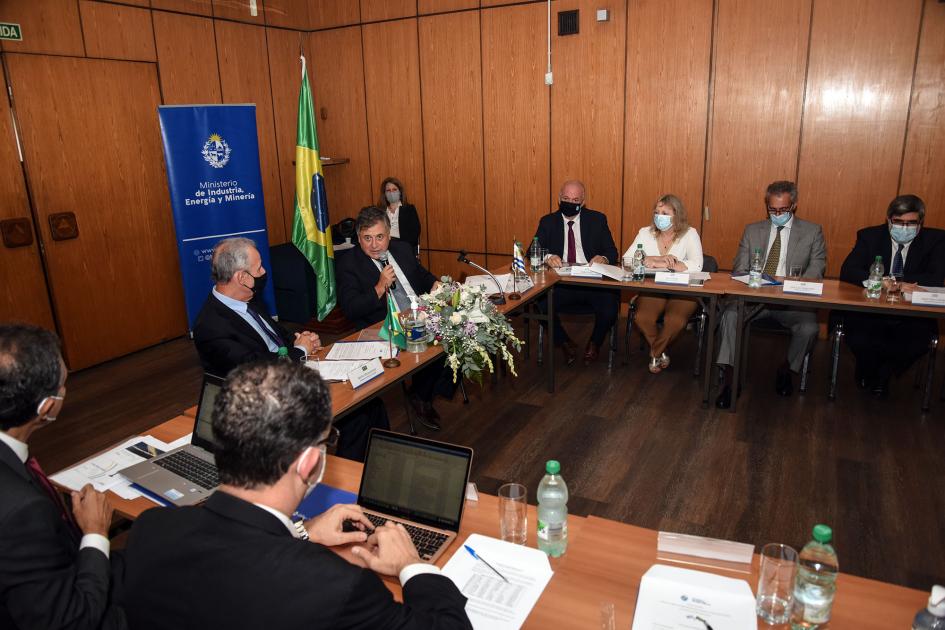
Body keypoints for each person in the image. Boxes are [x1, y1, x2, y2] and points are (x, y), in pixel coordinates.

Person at [114, 360, 472, 630]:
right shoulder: (335, 585)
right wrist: (413, 566)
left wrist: (302, 532)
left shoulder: (151, 529)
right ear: (309, 463)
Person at [193, 237, 385, 460]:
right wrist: (300, 351)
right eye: (259, 268)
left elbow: (277, 335)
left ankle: (375, 469)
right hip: (264, 404)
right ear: (242, 277)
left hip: (291, 376)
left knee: (371, 402)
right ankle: (345, 482)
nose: (264, 272)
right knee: (359, 415)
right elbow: (256, 370)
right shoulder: (211, 326)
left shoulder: (246, 298)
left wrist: (301, 338)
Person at [0, 324, 125, 630]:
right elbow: (72, 621)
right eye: (63, 385)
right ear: (47, 407)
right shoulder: (23, 512)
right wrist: (95, 532)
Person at [715, 181, 826, 408]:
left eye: (782, 210)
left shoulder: (812, 232)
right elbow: (740, 269)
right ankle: (730, 380)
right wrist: (755, 279)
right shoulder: (753, 230)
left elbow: (816, 270)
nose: (777, 214)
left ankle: (786, 369)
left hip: (792, 302)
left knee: (809, 328)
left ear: (793, 205)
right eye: (772, 209)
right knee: (729, 316)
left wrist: (790, 286)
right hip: (754, 299)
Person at [336, 207, 447, 429]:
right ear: (358, 238)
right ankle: (422, 395)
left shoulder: (402, 248)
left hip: (418, 314)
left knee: (457, 338)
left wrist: (437, 285)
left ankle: (421, 393)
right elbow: (351, 309)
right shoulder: (348, 263)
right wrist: (378, 288)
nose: (374, 245)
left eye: (379, 237)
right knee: (433, 348)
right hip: (383, 328)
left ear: (388, 235)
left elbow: (422, 276)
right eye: (367, 238)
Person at [839, 194, 945, 397]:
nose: (905, 228)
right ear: (889, 221)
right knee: (860, 333)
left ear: (920, 223)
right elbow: (849, 270)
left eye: (911, 223)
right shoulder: (869, 236)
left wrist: (897, 283)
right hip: (871, 309)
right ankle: (867, 368)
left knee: (916, 339)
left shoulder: (936, 240)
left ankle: (883, 374)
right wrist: (880, 281)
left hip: (913, 315)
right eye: (899, 222)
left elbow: (936, 277)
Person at [533, 180, 619, 365]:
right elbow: (532, 251)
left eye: (575, 199)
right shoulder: (548, 221)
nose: (570, 203)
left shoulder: (597, 220)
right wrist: (547, 256)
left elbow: (612, 252)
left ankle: (594, 344)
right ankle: (564, 343)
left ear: (583, 201)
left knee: (611, 302)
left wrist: (602, 258)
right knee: (539, 302)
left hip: (592, 283)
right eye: (566, 198)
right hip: (560, 284)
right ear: (558, 199)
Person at [624, 194, 704, 373]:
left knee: (674, 320)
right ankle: (662, 353)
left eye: (665, 212)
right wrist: (656, 258)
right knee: (642, 317)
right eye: (656, 212)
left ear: (677, 215)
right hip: (654, 288)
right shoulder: (645, 233)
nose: (659, 216)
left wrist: (670, 264)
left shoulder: (690, 234)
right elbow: (627, 260)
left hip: (682, 289)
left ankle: (655, 352)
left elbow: (697, 265)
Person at [380, 177, 422, 253]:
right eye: (388, 190)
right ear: (385, 194)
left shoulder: (409, 210)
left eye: (394, 189)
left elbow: (414, 233)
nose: (391, 192)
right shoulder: (380, 211)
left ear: (400, 192)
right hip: (383, 247)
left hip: (403, 248)